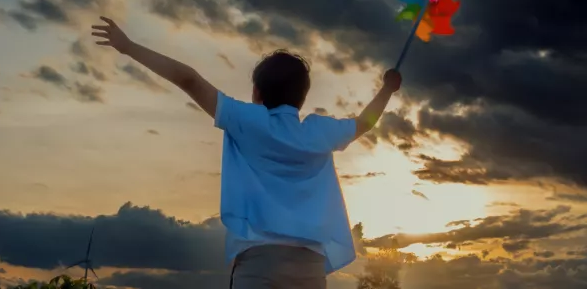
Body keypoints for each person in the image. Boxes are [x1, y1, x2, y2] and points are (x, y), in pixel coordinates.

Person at [91, 16, 403, 289]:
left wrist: (128, 47)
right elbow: (365, 123)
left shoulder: (248, 121)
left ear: (257, 92)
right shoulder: (318, 132)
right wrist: (387, 89)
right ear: (303, 97)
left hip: (258, 262)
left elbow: (189, 80)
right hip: (309, 266)